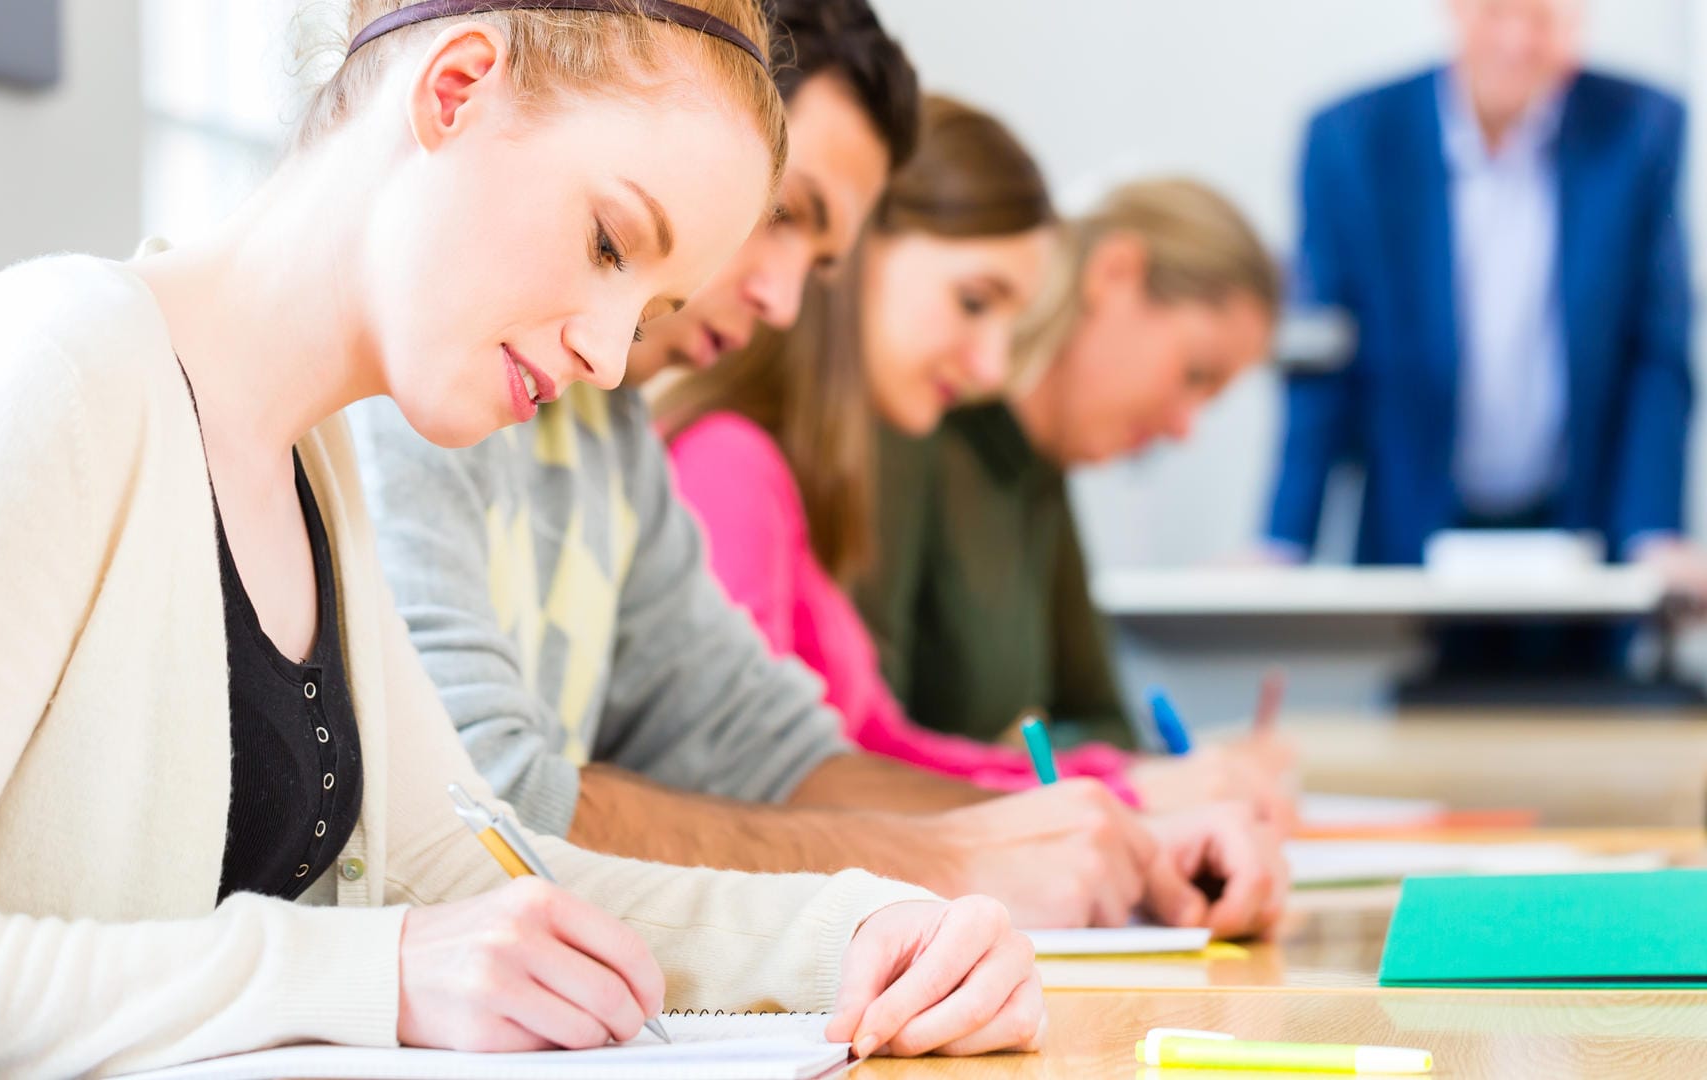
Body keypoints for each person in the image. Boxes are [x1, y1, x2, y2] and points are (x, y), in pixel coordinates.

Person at [0, 3, 1045, 1074]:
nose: (612, 356)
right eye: (608, 242)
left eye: (650, 304)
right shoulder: (59, 364)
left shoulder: (312, 464)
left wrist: (866, 931)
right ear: (457, 88)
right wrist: (364, 975)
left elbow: (473, 876)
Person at [356, 0, 1278, 934]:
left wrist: (1106, 838)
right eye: (782, 213)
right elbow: (477, 810)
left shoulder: (608, 425)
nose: (787, 299)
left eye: (821, 254)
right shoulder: (427, 377)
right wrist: (950, 860)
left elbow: (770, 753)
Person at [1265, 0, 1706, 673]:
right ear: (1454, 11)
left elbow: (1655, 349)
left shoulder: (1640, 128)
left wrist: (1653, 532)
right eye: (1498, 11)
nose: (1518, 41)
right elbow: (1326, 358)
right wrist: (1282, 540)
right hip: (1414, 527)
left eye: (1547, 19)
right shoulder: (1353, 138)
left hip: (1581, 522)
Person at [845, 176, 1295, 821]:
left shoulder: (1039, 472)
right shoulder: (914, 429)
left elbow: (1105, 721)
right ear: (1115, 273)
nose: (1184, 428)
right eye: (1195, 374)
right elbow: (861, 746)